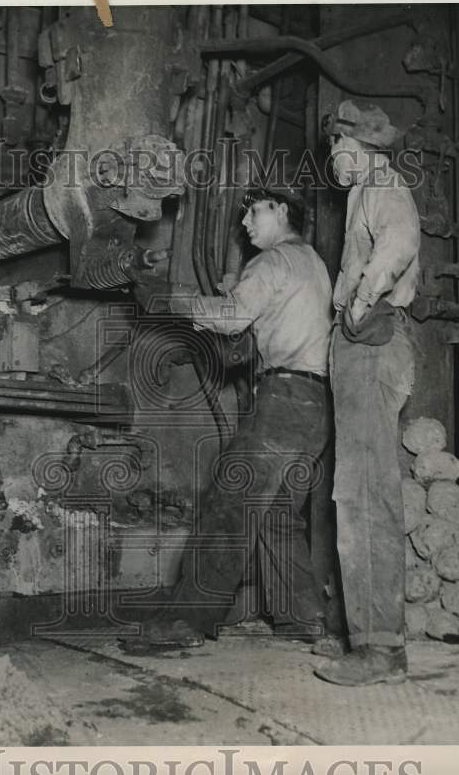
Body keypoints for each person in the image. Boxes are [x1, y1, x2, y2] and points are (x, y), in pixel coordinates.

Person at [124, 186, 333, 651]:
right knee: (279, 516)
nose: (245, 223)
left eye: (254, 212)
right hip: (315, 403)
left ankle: (186, 622)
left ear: (281, 210)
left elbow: (234, 317)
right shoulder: (313, 264)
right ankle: (304, 616)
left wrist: (169, 300)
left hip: (282, 399)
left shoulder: (275, 261)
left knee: (228, 506)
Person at [313, 99, 420, 687]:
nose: (333, 156)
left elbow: (399, 243)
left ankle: (382, 649)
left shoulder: (382, 184)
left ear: (359, 146)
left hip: (372, 346)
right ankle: (366, 637)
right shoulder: (365, 190)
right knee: (351, 493)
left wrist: (359, 300)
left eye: (337, 146)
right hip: (357, 349)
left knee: (368, 492)